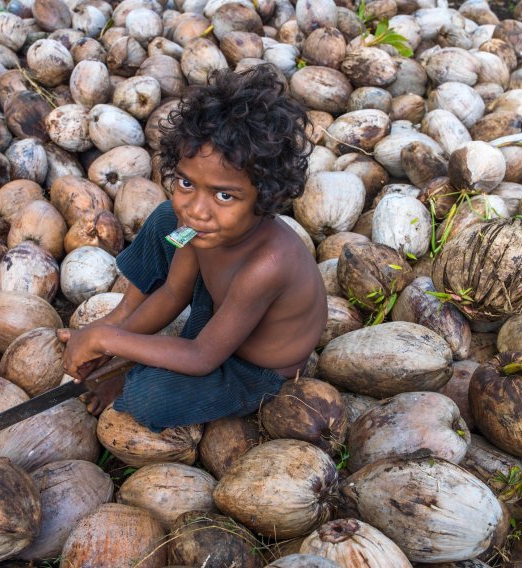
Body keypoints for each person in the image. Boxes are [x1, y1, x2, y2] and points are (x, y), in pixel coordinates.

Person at [57, 64, 328, 432]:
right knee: (166, 216)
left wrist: (110, 344)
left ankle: (128, 368)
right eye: (186, 182)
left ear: (265, 197)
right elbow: (173, 292)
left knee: (146, 399)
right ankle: (118, 321)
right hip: (217, 311)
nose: (197, 209)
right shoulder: (192, 228)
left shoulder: (267, 266)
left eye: (224, 195)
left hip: (250, 369)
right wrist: (109, 342)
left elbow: (202, 356)